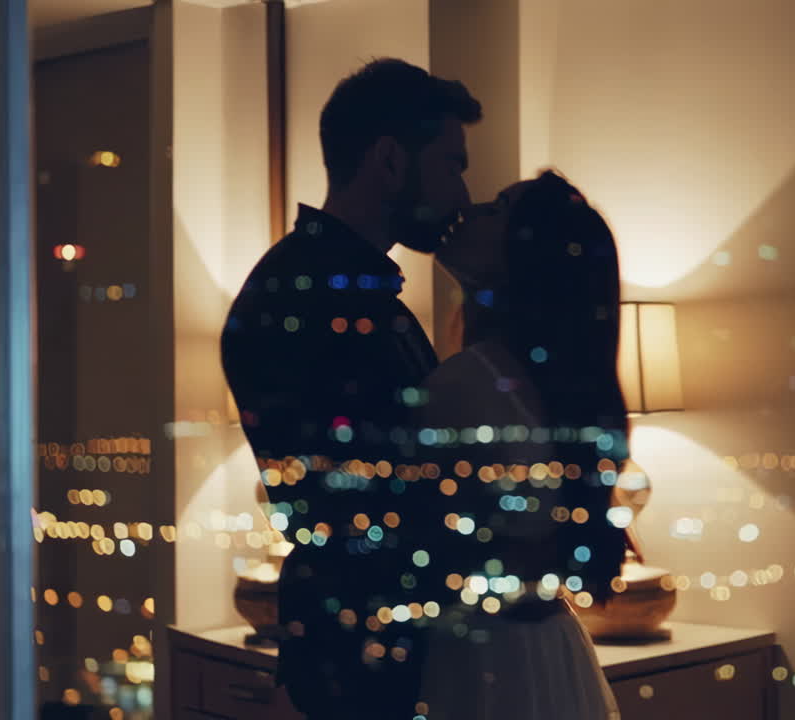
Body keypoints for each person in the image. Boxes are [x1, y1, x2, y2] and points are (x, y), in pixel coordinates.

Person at [220, 58, 480, 718]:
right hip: (365, 662)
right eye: (452, 165)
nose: (462, 194)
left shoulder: (355, 290)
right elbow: (370, 498)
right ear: (391, 160)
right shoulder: (305, 297)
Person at [411, 170, 629, 719]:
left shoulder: (468, 382)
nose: (474, 208)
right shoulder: (556, 387)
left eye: (497, 208)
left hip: (481, 660)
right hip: (550, 648)